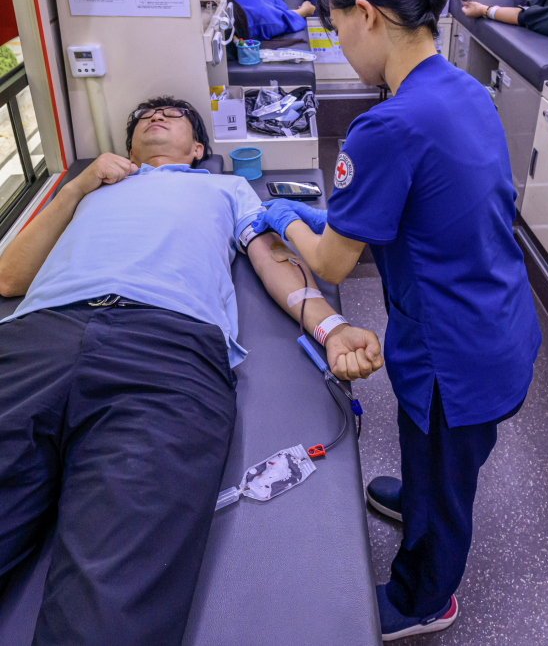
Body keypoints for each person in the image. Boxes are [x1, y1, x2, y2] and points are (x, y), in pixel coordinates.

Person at [250, 0, 542, 642]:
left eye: (335, 27)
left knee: (444, 478)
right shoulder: (460, 90)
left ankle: (425, 597)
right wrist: (326, 213)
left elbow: (328, 260)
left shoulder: (386, 126)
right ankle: (416, 499)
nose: (338, 42)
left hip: (456, 354)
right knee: (432, 460)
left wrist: (278, 216)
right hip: (497, 316)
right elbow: (421, 207)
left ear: (367, 15)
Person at [0, 96, 383, 646]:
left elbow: (272, 259)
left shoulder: (226, 188)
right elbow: (10, 277)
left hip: (167, 348)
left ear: (198, 148)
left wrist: (332, 327)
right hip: (38, 336)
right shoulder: (92, 189)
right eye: (144, 116)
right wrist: (79, 185)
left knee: (108, 596)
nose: (156, 116)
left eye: (172, 114)